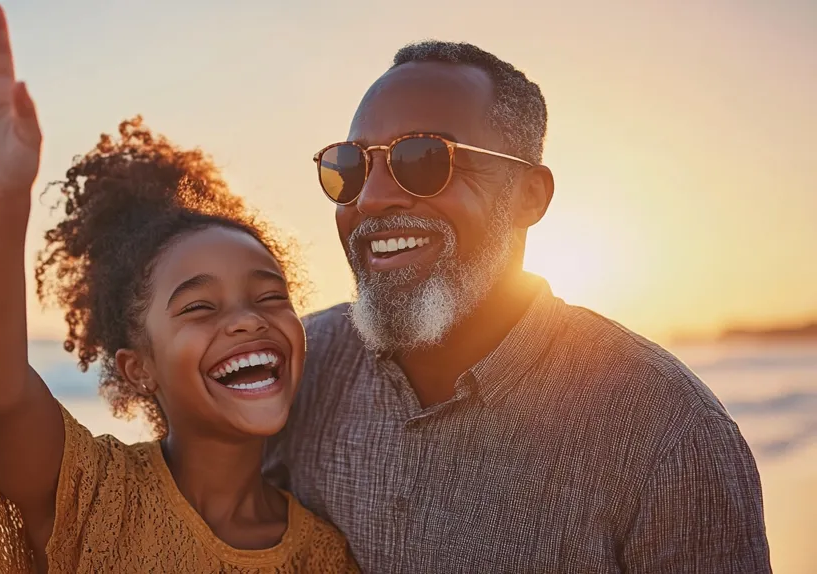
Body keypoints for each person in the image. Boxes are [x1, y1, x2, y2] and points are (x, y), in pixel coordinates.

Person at [265, 41, 772, 573]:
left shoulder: (667, 433)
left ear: (530, 195)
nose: (369, 198)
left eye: (423, 159)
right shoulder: (301, 366)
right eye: (350, 167)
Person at [0, 1, 358, 572]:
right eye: (198, 306)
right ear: (139, 367)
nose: (247, 319)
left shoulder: (324, 554)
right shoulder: (96, 497)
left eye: (269, 296)